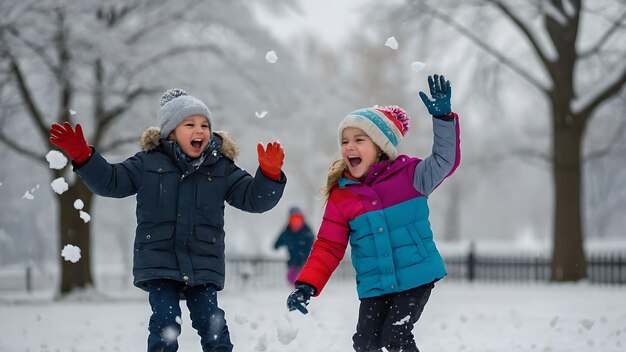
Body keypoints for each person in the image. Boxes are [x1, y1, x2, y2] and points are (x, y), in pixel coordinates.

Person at [49, 88, 286, 352]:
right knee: (164, 322)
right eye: (190, 124)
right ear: (171, 132)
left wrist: (269, 176)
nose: (200, 130)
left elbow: (254, 199)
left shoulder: (220, 167)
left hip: (203, 261)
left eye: (205, 124)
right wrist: (85, 157)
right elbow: (112, 182)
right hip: (159, 261)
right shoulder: (148, 163)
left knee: (212, 322)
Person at [286, 74, 460, 352]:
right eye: (344, 141)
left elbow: (444, 161)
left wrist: (443, 119)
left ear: (380, 148)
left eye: (359, 139)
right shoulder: (343, 196)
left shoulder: (411, 176)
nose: (349, 147)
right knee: (365, 343)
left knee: (395, 335)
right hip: (376, 285)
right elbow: (329, 246)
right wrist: (306, 285)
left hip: (415, 276)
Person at [273, 206, 315, 285]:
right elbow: (278, 242)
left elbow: (313, 244)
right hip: (293, 262)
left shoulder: (306, 231)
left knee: (303, 281)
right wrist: (277, 245)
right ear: (290, 219)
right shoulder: (287, 232)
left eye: (298, 218)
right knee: (293, 281)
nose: (296, 221)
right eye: (293, 218)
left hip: (305, 263)